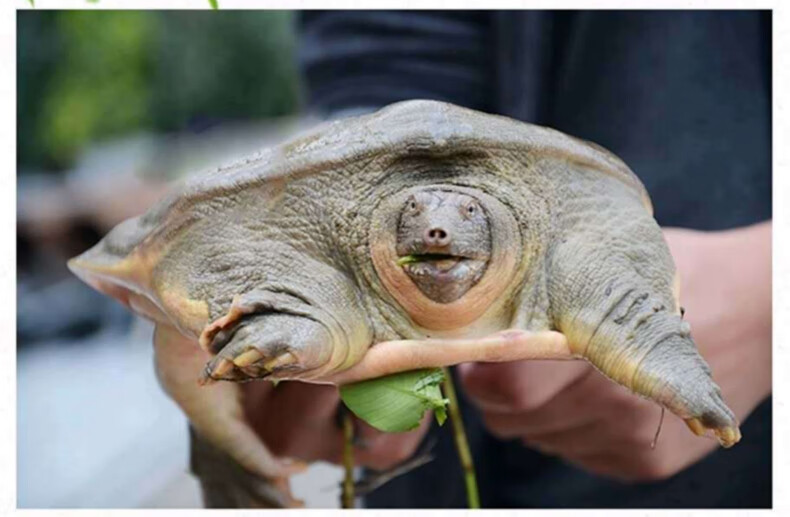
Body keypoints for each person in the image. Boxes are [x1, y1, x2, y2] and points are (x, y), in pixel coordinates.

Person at [194, 10, 772, 508]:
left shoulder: (564, 253)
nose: (438, 232)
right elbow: (386, 46)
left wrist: (770, 297)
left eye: (459, 221)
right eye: (420, 221)